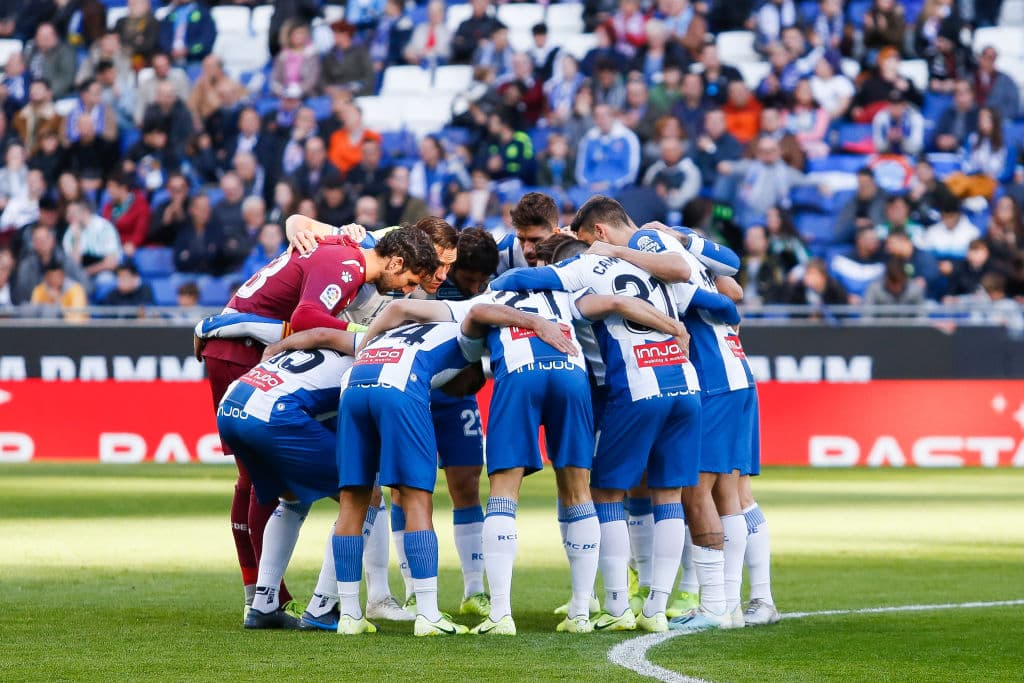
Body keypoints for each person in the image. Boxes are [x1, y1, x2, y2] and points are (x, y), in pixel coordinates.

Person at [198, 224, 440, 623]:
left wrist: (217, 325)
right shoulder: (347, 266)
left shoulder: (338, 249)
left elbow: (301, 325)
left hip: (239, 390)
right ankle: (323, 605)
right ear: (395, 261)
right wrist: (371, 334)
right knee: (361, 493)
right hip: (248, 367)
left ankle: (262, 600)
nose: (405, 291)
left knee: (278, 491)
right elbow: (307, 316)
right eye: (409, 281)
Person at [945, 107, 1008, 200]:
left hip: (993, 181)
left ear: (994, 120)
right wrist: (973, 172)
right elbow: (965, 162)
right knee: (953, 181)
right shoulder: (972, 138)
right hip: (973, 178)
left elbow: (1008, 171)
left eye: (984, 118)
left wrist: (991, 177)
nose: (981, 121)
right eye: (980, 118)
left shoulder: (1006, 143)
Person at [575, 104, 641, 193]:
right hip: (589, 188)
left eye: (604, 115)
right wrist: (589, 185)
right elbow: (581, 170)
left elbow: (630, 173)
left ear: (613, 117)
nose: (601, 119)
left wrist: (609, 184)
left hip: (617, 189)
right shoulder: (588, 138)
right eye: (597, 116)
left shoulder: (628, 138)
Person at [62, 198, 121, 290]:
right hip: (80, 274)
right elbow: (73, 265)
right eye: (68, 213)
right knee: (66, 284)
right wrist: (77, 240)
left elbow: (111, 263)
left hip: (102, 271)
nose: (68, 216)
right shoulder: (69, 233)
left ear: (86, 212)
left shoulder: (104, 227)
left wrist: (87, 271)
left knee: (105, 279)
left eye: (73, 213)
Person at [642, 136, 701, 216]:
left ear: (680, 151)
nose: (669, 153)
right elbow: (645, 193)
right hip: (654, 211)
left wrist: (665, 196)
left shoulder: (690, 170)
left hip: (684, 215)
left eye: (673, 150)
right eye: (666, 150)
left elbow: (684, 200)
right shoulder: (654, 169)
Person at [103, 171, 151, 258]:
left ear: (123, 188)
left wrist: (133, 243)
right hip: (110, 248)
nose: (109, 190)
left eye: (111, 186)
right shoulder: (108, 207)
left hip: (131, 249)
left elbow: (140, 231)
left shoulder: (140, 204)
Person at [321, 20, 375, 97]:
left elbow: (369, 76)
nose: (334, 36)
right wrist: (328, 88)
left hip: (356, 92)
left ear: (346, 34)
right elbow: (324, 78)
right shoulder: (330, 54)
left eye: (338, 33)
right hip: (335, 93)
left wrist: (352, 91)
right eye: (334, 33)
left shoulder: (360, 51)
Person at [23, 23, 77, 99]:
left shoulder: (65, 51)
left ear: (55, 37)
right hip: (30, 90)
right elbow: (23, 69)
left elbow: (66, 78)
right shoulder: (32, 49)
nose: (44, 40)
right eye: (41, 36)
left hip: (52, 93)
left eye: (47, 37)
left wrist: (49, 92)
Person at [158, 0, 217, 67]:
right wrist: (170, 50)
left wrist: (188, 50)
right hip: (171, 60)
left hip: (195, 60)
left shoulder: (203, 13)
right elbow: (163, 37)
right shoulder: (171, 13)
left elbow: (207, 40)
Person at [920, 195, 981, 259]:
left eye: (951, 217)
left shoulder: (972, 233)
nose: (948, 220)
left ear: (958, 215)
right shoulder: (932, 232)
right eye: (945, 217)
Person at [837, 168, 888, 244]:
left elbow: (890, 224)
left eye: (866, 183)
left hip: (879, 239)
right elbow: (839, 228)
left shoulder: (885, 199)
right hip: (855, 239)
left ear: (873, 182)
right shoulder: (852, 200)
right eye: (860, 183)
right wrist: (854, 225)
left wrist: (870, 223)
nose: (863, 186)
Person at [13, 78, 64, 155]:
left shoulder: (58, 118)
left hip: (45, 158)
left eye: (39, 88)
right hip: (20, 157)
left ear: (49, 93)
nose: (34, 91)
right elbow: (13, 137)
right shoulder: (19, 116)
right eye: (32, 89)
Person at [270, 21, 320, 99]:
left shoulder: (312, 54)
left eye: (302, 33)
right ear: (290, 36)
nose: (299, 36)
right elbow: (275, 77)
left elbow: (313, 78)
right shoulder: (282, 55)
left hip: (306, 96)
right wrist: (281, 90)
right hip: (284, 95)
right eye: (296, 33)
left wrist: (299, 89)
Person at [872, 90, 924, 156]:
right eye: (892, 104)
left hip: (910, 158)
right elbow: (878, 148)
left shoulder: (915, 117)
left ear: (904, 104)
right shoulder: (880, 118)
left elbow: (917, 147)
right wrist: (889, 141)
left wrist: (902, 139)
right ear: (888, 104)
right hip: (886, 158)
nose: (895, 108)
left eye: (898, 104)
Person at [973, 46, 1019, 121]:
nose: (989, 62)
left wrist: (994, 118)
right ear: (980, 58)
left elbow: (1014, 105)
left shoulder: (1006, 80)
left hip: (999, 122)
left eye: (993, 59)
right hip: (973, 121)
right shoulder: (970, 78)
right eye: (987, 57)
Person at [932, 79, 979, 153]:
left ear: (972, 94)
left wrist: (956, 141)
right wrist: (940, 140)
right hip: (947, 155)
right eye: (957, 93)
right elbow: (937, 135)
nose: (960, 96)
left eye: (964, 92)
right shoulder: (948, 112)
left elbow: (977, 138)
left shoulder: (979, 114)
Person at [451, 0, 501, 64]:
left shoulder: (494, 23)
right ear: (471, 3)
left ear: (487, 4)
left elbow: (503, 35)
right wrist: (477, 44)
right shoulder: (464, 25)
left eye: (482, 2)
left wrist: (491, 43)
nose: (480, 5)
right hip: (468, 61)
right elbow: (458, 46)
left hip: (491, 62)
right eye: (477, 2)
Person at [404, 0, 451, 66]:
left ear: (443, 13)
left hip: (441, 70)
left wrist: (425, 53)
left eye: (436, 12)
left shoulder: (448, 32)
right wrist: (411, 55)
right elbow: (409, 49)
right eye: (431, 11)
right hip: (417, 67)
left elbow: (446, 52)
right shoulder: (419, 29)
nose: (433, 15)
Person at [115, 0, 160, 68]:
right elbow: (114, 41)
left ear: (147, 5)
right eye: (130, 4)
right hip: (119, 59)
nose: (132, 7)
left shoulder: (152, 22)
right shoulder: (121, 21)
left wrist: (125, 46)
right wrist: (136, 41)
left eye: (135, 4)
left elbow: (148, 45)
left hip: (143, 61)